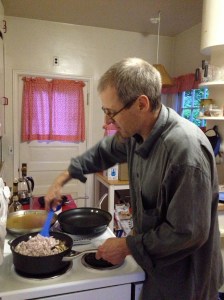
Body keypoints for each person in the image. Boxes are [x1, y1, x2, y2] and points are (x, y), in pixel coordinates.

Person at [45, 57, 223, 300]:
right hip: (155, 265)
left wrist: (128, 245)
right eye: (105, 111)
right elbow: (104, 151)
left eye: (112, 112)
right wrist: (62, 178)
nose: (107, 121)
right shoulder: (137, 133)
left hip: (185, 279)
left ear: (141, 104)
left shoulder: (184, 151)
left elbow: (187, 232)